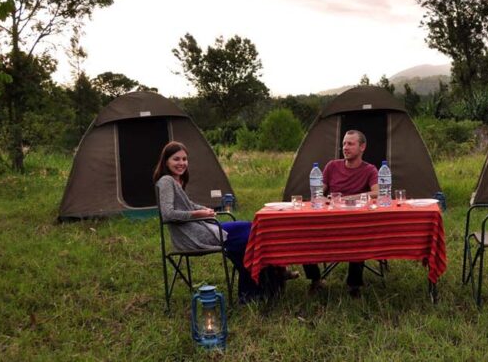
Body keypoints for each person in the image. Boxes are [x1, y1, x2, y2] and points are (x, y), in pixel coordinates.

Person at [154, 140, 294, 303]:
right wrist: (197, 214)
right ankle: (255, 289)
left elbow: (189, 205)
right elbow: (167, 214)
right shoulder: (166, 181)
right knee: (247, 239)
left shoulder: (177, 180)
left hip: (202, 228)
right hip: (193, 237)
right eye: (176, 159)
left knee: (254, 229)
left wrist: (205, 209)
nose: (181, 163)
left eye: (184, 159)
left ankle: (273, 273)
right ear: (166, 161)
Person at [303, 129, 379, 298]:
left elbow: (377, 193)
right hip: (330, 219)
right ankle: (315, 280)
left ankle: (354, 285)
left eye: (350, 144)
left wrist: (348, 198)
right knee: (304, 233)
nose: (345, 147)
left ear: (362, 147)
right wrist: (320, 197)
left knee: (359, 235)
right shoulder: (332, 166)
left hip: (356, 220)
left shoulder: (369, 170)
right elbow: (318, 191)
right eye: (344, 143)